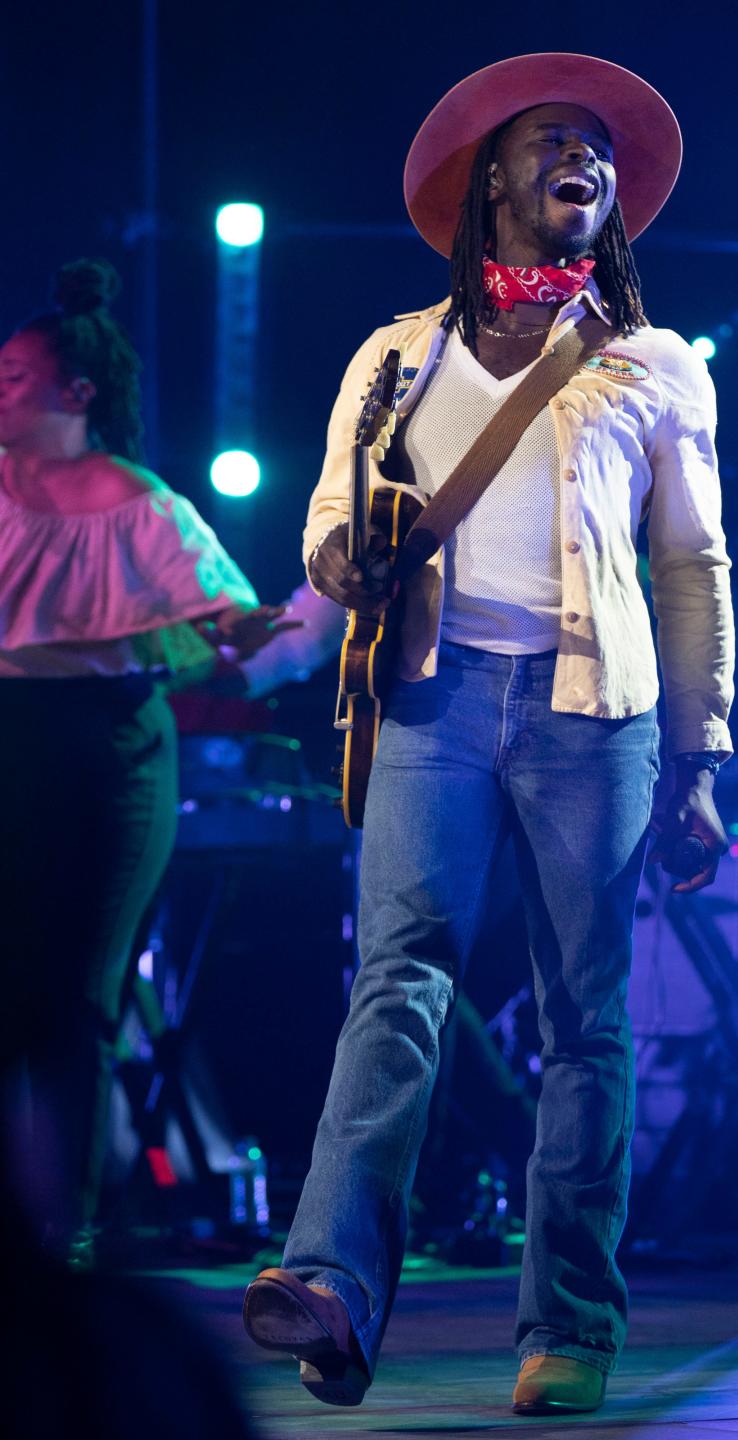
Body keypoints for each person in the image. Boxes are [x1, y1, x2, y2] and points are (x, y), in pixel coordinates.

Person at [243, 53, 734, 1415]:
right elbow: (326, 532)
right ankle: (333, 1289)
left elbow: (694, 568)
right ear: (492, 182)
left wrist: (698, 760)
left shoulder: (654, 363)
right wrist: (344, 564)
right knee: (395, 984)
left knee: (587, 1019)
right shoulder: (398, 355)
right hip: (432, 700)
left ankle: (567, 1327)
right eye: (555, 141)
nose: (588, 159)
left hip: (599, 719)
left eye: (604, 150)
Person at [0, 257, 295, 1266]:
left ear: (75, 395)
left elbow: (234, 622)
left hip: (110, 753)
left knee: (81, 994)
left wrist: (271, 625)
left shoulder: (140, 502)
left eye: (13, 379)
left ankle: (64, 1237)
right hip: (9, 742)